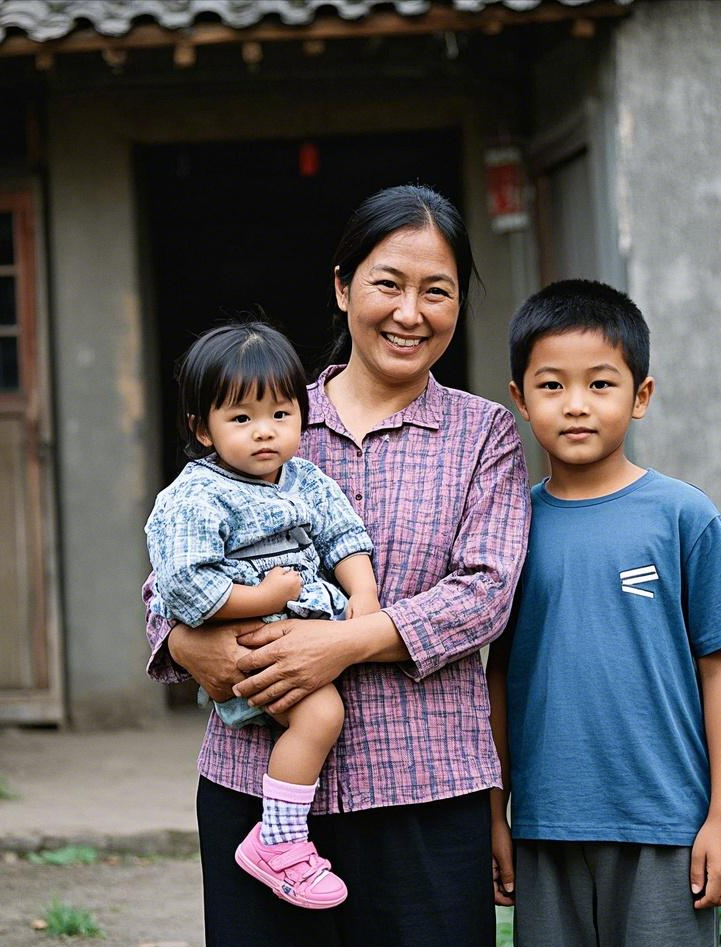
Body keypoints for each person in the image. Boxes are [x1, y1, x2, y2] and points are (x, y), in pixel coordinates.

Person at [143, 185, 531, 947]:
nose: (409, 312)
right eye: (387, 283)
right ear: (342, 286)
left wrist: (343, 640)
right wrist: (188, 644)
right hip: (253, 784)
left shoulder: (483, 434)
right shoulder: (259, 417)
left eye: (436, 291)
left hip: (424, 786)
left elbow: (485, 593)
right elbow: (167, 583)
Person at [487, 279, 721, 947]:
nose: (576, 405)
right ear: (520, 399)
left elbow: (720, 669)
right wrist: (494, 814)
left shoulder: (681, 516)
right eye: (551, 386)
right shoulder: (508, 524)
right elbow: (496, 677)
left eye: (600, 384)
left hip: (663, 823)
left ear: (640, 396)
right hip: (545, 824)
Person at [145, 321, 381, 909]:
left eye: (281, 414)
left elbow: (344, 534)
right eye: (241, 419)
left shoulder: (305, 479)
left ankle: (283, 836)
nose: (265, 433)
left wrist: (365, 599)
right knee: (321, 714)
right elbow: (185, 586)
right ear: (203, 430)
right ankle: (277, 839)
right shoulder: (194, 496)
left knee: (325, 711)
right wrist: (264, 598)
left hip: (306, 632)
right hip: (249, 643)